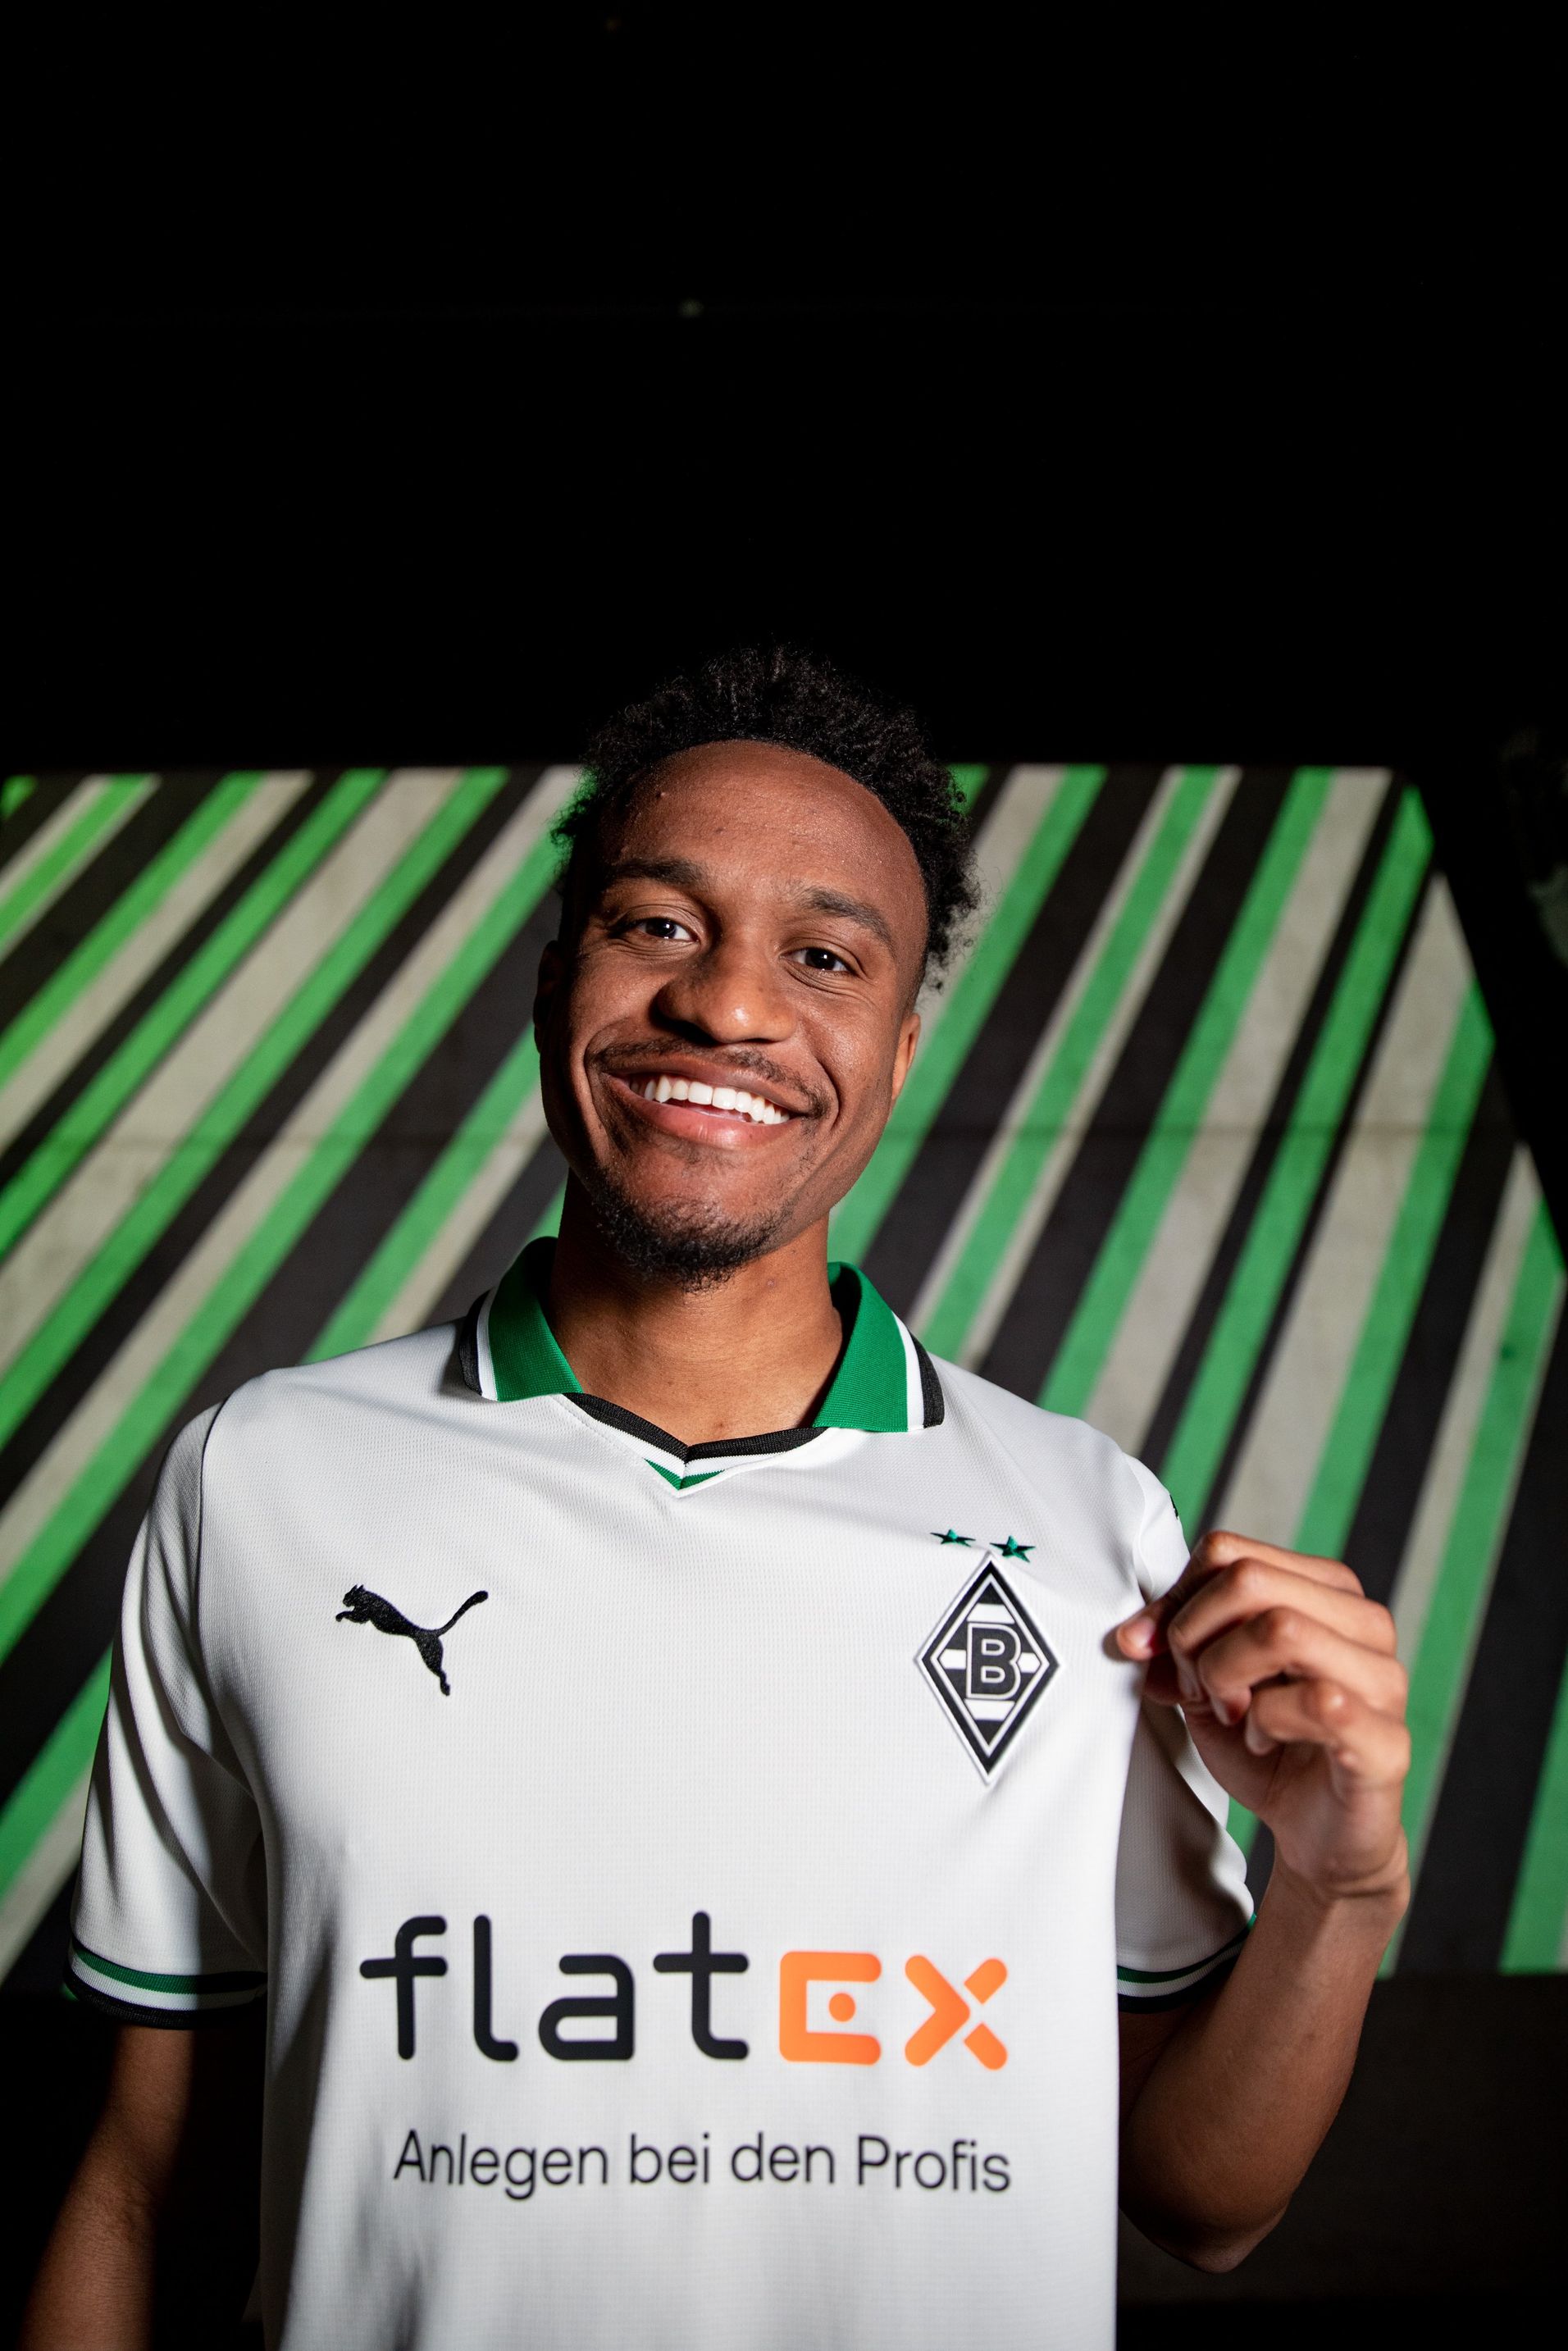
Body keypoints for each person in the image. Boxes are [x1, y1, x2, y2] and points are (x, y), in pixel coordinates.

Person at [23, 648, 1411, 2350]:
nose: (728, 1007)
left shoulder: (1084, 1525)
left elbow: (1205, 2203)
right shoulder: (260, 1480)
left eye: (822, 956)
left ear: (895, 1054)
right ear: (555, 983)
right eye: (658, 924)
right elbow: (147, 2177)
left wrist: (1338, 1885)